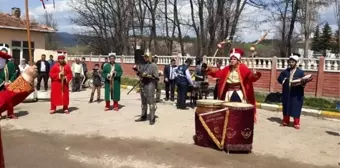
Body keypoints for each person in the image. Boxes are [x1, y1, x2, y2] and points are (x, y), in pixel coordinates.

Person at [206, 48, 261, 122]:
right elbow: (217, 74)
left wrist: (255, 75)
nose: (232, 60)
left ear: (238, 60)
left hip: (238, 93)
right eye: (231, 59)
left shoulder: (243, 68)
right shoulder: (227, 68)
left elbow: (250, 78)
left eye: (234, 59)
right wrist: (209, 70)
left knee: (237, 112)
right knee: (228, 111)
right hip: (228, 93)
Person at [0, 64, 38, 168]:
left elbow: (13, 74)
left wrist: (25, 78)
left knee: (9, 99)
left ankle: (10, 113)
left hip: (9, 87)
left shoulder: (10, 65)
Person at [277, 53, 312, 129]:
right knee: (286, 106)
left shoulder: (300, 72)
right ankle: (286, 121)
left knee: (296, 107)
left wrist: (302, 82)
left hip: (297, 93)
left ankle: (296, 123)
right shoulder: (286, 71)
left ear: (296, 63)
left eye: (292, 62)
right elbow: (279, 78)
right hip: (287, 92)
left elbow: (304, 81)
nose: (291, 63)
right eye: (290, 62)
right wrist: (285, 79)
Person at [134, 50, 159, 125]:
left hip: (150, 84)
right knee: (143, 102)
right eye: (144, 57)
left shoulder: (153, 65)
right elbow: (140, 74)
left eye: (146, 57)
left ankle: (152, 117)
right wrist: (137, 72)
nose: (145, 58)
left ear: (150, 57)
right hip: (143, 84)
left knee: (151, 102)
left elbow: (156, 77)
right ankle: (143, 116)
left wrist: (147, 75)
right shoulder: (142, 65)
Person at [0, 51, 20, 119]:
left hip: (9, 84)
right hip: (1, 85)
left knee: (10, 100)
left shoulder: (10, 64)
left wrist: (10, 81)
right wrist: (3, 82)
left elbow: (14, 73)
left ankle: (10, 113)